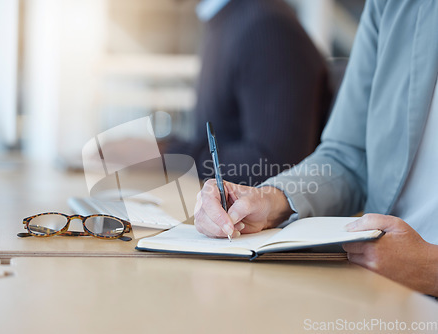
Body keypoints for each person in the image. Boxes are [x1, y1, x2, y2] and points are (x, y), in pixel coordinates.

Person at [194, 0, 438, 297]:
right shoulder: (392, 6)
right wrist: (273, 200)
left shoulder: (265, 27)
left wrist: (431, 269)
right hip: (377, 286)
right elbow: (348, 156)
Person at [166, 0, 332, 186]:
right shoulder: (229, 21)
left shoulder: (266, 27)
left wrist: (169, 157)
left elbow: (275, 165)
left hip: (247, 213)